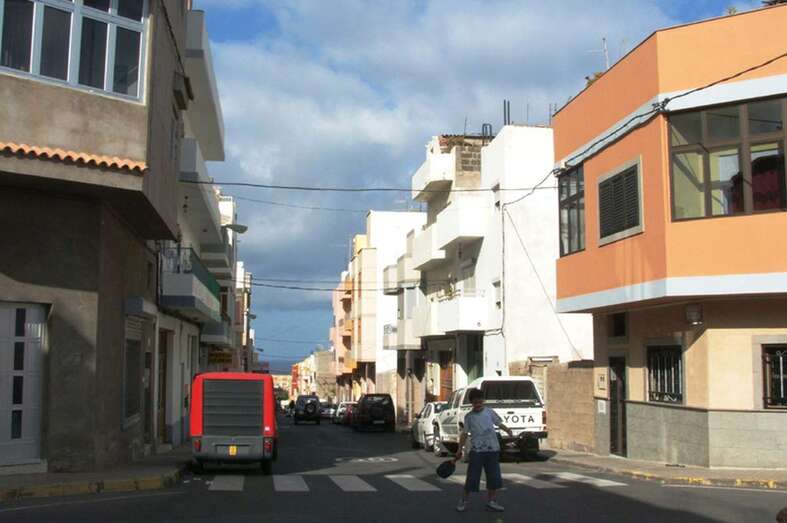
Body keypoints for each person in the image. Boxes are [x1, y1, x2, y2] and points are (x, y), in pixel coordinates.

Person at [454, 388, 513, 513]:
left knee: (494, 477)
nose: (478, 405)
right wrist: (459, 449)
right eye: (475, 403)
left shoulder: (489, 412)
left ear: (483, 401)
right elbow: (464, 434)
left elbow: (498, 423)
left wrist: (507, 430)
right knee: (472, 477)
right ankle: (463, 501)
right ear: (471, 403)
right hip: (477, 451)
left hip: (493, 450)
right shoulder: (469, 417)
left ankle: (491, 501)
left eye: (480, 402)